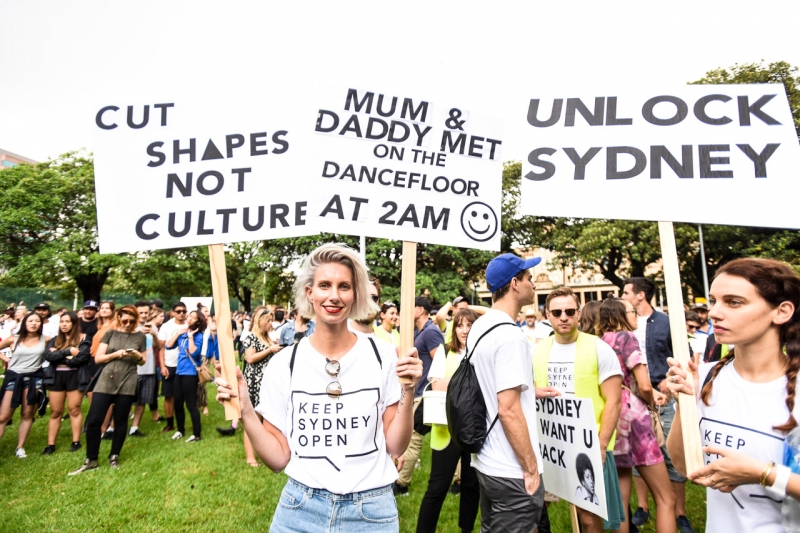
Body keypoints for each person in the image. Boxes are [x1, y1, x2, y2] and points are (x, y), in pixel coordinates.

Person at [215, 243, 422, 531]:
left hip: (370, 512)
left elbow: (396, 446)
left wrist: (408, 391)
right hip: (300, 509)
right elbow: (277, 459)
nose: (334, 296)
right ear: (309, 293)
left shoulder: (384, 355)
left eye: (344, 286)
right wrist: (246, 409)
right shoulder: (284, 364)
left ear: (355, 294)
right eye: (324, 285)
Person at [665, 258, 800, 532]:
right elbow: (684, 466)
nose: (714, 312)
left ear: (782, 311)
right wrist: (685, 403)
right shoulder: (702, 377)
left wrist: (763, 474)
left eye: (734, 302)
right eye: (714, 301)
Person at [533, 287, 623, 532]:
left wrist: (602, 444)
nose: (564, 317)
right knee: (535, 510)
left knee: (589, 516)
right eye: (557, 312)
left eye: (569, 311)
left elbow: (614, 400)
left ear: (579, 313)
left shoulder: (599, 348)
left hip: (589, 445)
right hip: (549, 444)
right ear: (547, 315)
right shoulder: (538, 350)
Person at [467, 253, 546, 532]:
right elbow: (508, 409)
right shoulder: (512, 336)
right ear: (515, 283)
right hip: (511, 469)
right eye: (528, 278)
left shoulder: (480, 327)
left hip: (487, 461)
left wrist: (531, 393)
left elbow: (490, 385)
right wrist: (530, 467)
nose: (533, 283)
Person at [596, 298, 676, 533]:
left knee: (621, 497)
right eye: (632, 312)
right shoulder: (626, 338)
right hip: (635, 418)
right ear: (620, 314)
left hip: (612, 418)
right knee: (665, 498)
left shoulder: (600, 341)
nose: (636, 316)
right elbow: (643, 384)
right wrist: (652, 401)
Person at [622, 277, 694, 533]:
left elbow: (684, 356)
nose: (623, 295)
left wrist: (668, 379)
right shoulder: (623, 323)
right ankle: (642, 507)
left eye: (627, 292)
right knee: (640, 455)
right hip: (636, 400)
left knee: (672, 457)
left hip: (664, 398)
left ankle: (680, 512)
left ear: (641, 295)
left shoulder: (666, 322)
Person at [416, 308, 481, 533]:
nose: (464, 330)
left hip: (475, 429)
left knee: (472, 486)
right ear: (454, 329)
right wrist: (470, 382)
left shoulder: (482, 353)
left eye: (470, 325)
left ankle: (466, 529)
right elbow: (437, 385)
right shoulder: (445, 351)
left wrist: (455, 383)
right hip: (447, 430)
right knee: (438, 486)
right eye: (460, 325)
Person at [70, 305, 146, 474]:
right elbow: (98, 358)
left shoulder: (140, 336)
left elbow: (143, 361)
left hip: (128, 379)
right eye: (124, 320)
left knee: (120, 420)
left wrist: (136, 356)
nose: (127, 324)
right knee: (95, 420)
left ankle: (114, 455)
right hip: (106, 379)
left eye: (131, 321)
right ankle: (91, 459)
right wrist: (116, 354)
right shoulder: (110, 333)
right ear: (118, 318)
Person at [394, 295, 445, 495]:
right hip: (418, 392)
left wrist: (434, 389)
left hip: (427, 393)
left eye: (411, 307)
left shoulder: (431, 332)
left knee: (413, 437)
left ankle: (401, 484)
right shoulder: (419, 331)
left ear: (421, 310)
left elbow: (440, 361)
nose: (407, 311)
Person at [0, 313, 48, 458]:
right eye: (31, 320)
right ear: (25, 323)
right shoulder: (14, 339)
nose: (34, 323)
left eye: (37, 321)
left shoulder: (46, 340)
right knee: (3, 416)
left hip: (34, 379)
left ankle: (20, 447)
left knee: (27, 414)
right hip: (14, 377)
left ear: (41, 323)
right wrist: (6, 359)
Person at [43, 311, 89, 454]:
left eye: (67, 321)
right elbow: (48, 356)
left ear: (74, 323)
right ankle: (51, 445)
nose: (64, 324)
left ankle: (76, 442)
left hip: (75, 377)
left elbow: (81, 359)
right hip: (56, 377)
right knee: (56, 411)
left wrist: (58, 354)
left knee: (74, 409)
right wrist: (68, 351)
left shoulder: (84, 338)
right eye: (62, 321)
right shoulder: (55, 339)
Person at [240, 308, 282, 464]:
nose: (270, 324)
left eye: (271, 321)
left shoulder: (268, 338)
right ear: (260, 321)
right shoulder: (251, 337)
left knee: (266, 420)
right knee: (252, 421)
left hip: (267, 383)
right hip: (254, 383)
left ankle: (267, 454)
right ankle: (250, 457)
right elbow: (250, 358)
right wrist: (270, 350)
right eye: (268, 321)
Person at [166, 309, 206, 442]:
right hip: (179, 372)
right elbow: (168, 346)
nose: (189, 319)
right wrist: (178, 333)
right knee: (178, 403)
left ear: (198, 321)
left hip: (190, 373)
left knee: (191, 404)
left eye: (193, 318)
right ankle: (180, 430)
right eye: (189, 316)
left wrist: (190, 337)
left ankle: (197, 434)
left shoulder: (198, 335)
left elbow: (194, 353)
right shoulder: (182, 333)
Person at [129, 309, 162, 437]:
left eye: (146, 313)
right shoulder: (130, 326)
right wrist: (137, 333)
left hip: (148, 369)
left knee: (142, 401)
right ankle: (112, 428)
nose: (143, 315)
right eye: (140, 312)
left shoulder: (152, 327)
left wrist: (154, 334)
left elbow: (158, 346)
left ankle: (134, 428)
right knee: (125, 400)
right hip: (132, 369)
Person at [158, 302, 189, 433]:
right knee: (168, 395)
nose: (181, 313)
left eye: (183, 311)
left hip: (186, 365)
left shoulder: (190, 325)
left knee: (182, 396)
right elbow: (161, 347)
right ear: (172, 313)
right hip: (170, 364)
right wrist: (162, 365)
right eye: (178, 311)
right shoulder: (166, 326)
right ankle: (170, 423)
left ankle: (181, 422)